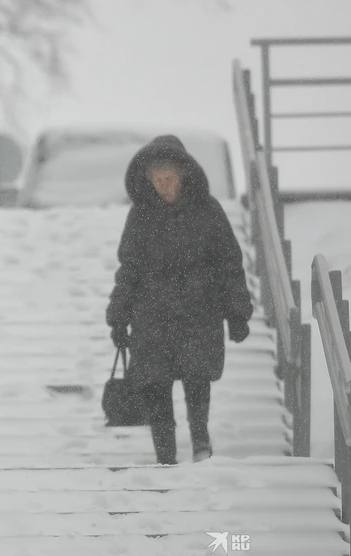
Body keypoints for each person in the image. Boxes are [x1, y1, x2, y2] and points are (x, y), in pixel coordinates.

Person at [106, 135, 253, 465]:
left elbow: (229, 263)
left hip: (198, 311)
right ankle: (165, 455)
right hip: (151, 314)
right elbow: (129, 267)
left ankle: (200, 441)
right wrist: (118, 314)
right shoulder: (140, 215)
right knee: (155, 385)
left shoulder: (208, 211)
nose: (163, 186)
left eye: (168, 178)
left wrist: (237, 312)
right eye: (157, 181)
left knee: (197, 377)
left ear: (183, 175)